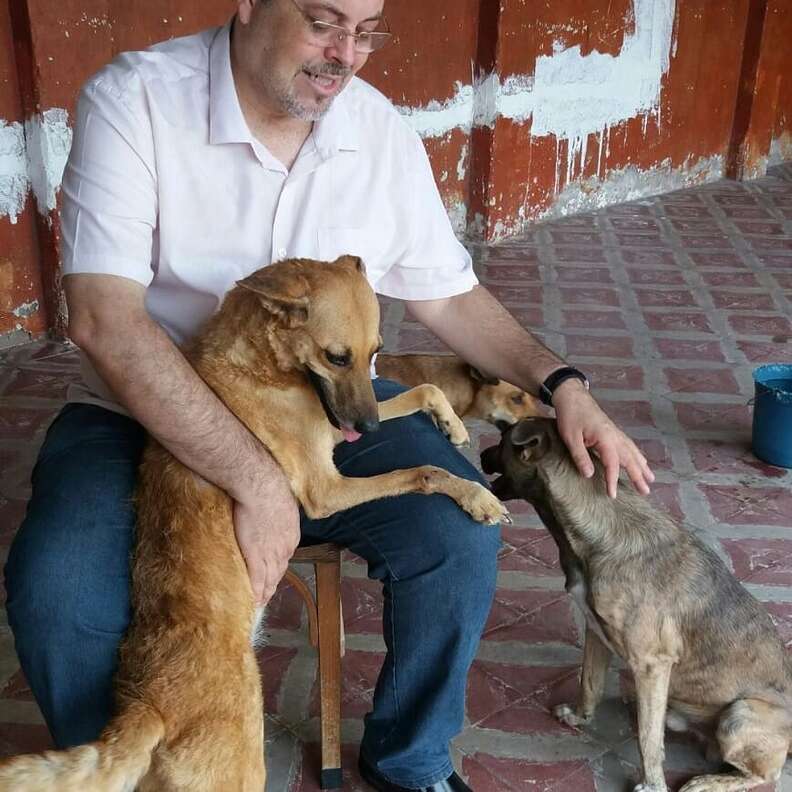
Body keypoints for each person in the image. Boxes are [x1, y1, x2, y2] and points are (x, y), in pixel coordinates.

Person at [3, 1, 654, 790]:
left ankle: (411, 757)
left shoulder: (377, 131)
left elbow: (449, 297)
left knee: (458, 535)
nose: (345, 52)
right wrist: (258, 483)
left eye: (366, 30)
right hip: (143, 406)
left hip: (320, 411)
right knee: (59, 592)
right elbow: (105, 320)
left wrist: (563, 383)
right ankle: (125, 773)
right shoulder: (136, 99)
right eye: (323, 21)